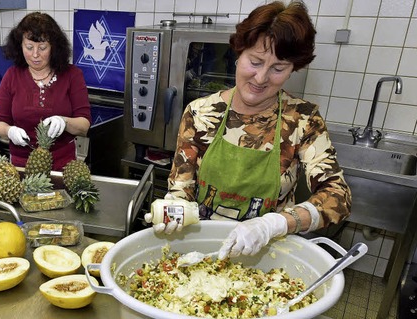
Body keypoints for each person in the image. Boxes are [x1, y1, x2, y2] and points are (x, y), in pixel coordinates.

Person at [144, 1, 352, 260]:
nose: (261, 77)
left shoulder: (302, 120)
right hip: (200, 250)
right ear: (238, 53)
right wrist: (175, 207)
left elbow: (337, 196)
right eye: (255, 61)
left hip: (269, 257)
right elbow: (181, 187)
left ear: (292, 70)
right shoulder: (201, 113)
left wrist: (274, 224)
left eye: (278, 68)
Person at [0, 12, 91, 170]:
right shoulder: (11, 76)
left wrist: (64, 122)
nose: (35, 54)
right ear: (20, 46)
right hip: (20, 166)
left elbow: (84, 125)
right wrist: (9, 131)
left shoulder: (72, 75)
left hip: (63, 167)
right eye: (29, 47)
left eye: (42, 47)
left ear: (54, 47)